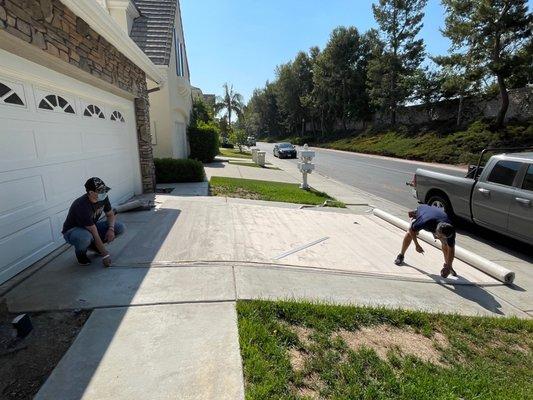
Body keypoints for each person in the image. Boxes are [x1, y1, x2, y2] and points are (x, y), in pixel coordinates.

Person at [62, 177, 125, 266]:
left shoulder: (103, 198)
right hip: (73, 231)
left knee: (119, 227)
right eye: (101, 191)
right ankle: (81, 254)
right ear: (91, 192)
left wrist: (111, 229)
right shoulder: (81, 205)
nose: (104, 193)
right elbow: (94, 232)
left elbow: (110, 214)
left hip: (90, 227)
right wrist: (105, 255)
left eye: (105, 190)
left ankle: (94, 247)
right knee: (84, 238)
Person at [394, 204, 456, 278]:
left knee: (445, 243)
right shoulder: (425, 221)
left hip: (434, 214)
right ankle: (401, 255)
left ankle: (448, 265)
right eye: (440, 236)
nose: (440, 238)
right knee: (410, 233)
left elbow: (451, 249)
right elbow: (411, 230)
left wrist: (448, 266)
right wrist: (417, 245)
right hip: (421, 212)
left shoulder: (450, 230)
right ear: (437, 232)